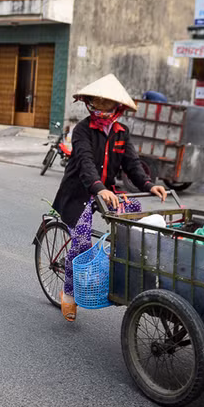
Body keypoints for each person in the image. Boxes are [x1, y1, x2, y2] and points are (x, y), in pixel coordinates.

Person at [50, 74, 167, 320]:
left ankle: (121, 276)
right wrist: (98, 187)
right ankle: (68, 293)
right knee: (81, 243)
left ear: (116, 106)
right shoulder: (82, 130)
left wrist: (149, 184)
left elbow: (132, 164)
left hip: (108, 191)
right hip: (79, 191)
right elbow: (85, 162)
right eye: (97, 101)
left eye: (106, 102)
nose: (101, 106)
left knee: (136, 225)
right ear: (90, 102)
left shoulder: (121, 132)